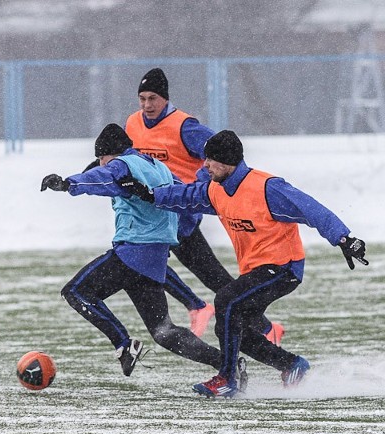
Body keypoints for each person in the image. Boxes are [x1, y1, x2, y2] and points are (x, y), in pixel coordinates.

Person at [119, 129, 368, 397]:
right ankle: (291, 365)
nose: (205, 165)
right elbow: (185, 196)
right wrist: (150, 194)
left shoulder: (267, 188)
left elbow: (311, 209)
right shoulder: (217, 189)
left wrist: (344, 238)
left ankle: (227, 379)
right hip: (257, 270)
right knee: (232, 326)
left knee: (226, 301)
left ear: (226, 162)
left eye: (210, 160)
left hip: (283, 269)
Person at [40, 123, 247, 385]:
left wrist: (68, 184)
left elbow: (105, 177)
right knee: (165, 332)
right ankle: (226, 363)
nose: (101, 164)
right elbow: (181, 196)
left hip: (133, 253)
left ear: (109, 155)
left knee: (76, 292)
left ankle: (124, 345)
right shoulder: (157, 166)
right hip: (155, 258)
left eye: (101, 159)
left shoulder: (121, 165)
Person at [124, 68, 284, 345]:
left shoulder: (184, 126)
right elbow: (126, 159)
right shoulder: (133, 124)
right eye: (142, 98)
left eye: (153, 98)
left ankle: (211, 310)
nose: (147, 105)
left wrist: (198, 186)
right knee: (155, 262)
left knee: (150, 260)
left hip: (181, 211)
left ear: (165, 98)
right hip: (154, 211)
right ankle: (242, 319)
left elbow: (219, 150)